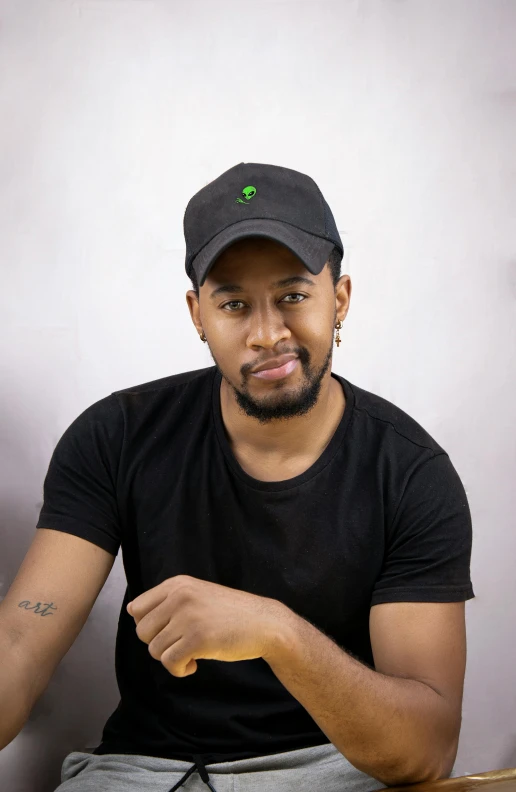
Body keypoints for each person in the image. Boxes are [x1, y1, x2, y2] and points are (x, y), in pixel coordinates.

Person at [0, 162, 474, 792]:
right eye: (233, 304)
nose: (267, 334)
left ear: (342, 297)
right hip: (142, 773)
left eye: (293, 296)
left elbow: (426, 752)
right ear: (198, 314)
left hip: (334, 769)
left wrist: (278, 633)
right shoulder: (116, 436)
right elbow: (21, 643)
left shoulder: (412, 474)